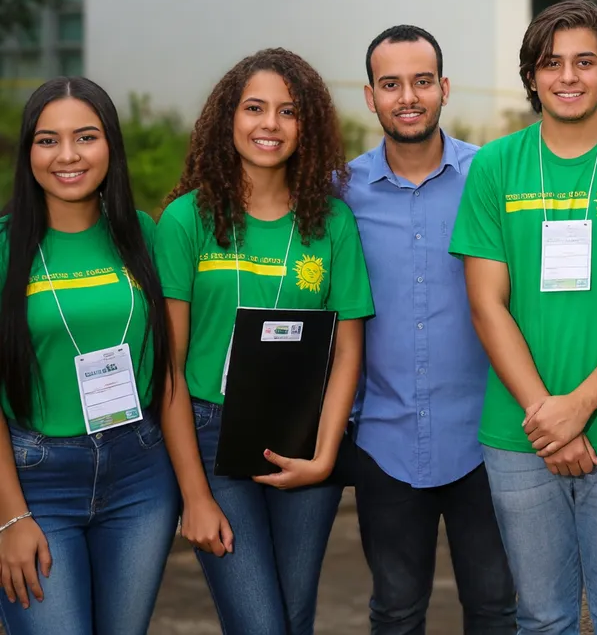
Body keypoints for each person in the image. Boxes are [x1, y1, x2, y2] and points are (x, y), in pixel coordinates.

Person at [450, 0, 597, 635]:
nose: (568, 77)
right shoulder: (495, 166)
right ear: (531, 76)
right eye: (551, 63)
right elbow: (485, 302)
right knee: (541, 619)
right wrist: (547, 417)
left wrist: (578, 407)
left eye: (585, 62)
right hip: (520, 431)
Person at [158, 48, 374, 635]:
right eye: (255, 108)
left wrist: (326, 456)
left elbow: (348, 351)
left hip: (305, 436)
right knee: (260, 625)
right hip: (213, 434)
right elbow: (169, 371)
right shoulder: (187, 220)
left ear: (308, 126)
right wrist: (193, 495)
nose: (270, 125)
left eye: (288, 111)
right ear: (228, 117)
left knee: (294, 620)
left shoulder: (332, 223)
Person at [345, 25, 514, 635]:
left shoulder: (491, 178)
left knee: (497, 610)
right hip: (385, 445)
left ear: (444, 88)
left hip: (488, 440)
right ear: (370, 96)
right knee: (394, 612)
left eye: (421, 81)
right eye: (391, 84)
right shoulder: (341, 194)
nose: (407, 96)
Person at [0, 78, 179, 634]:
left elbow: (172, 359)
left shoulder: (143, 235)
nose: (69, 156)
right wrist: (9, 517)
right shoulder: (5, 246)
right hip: (37, 479)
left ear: (111, 147)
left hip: (140, 474)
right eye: (48, 140)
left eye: (86, 137)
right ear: (28, 151)